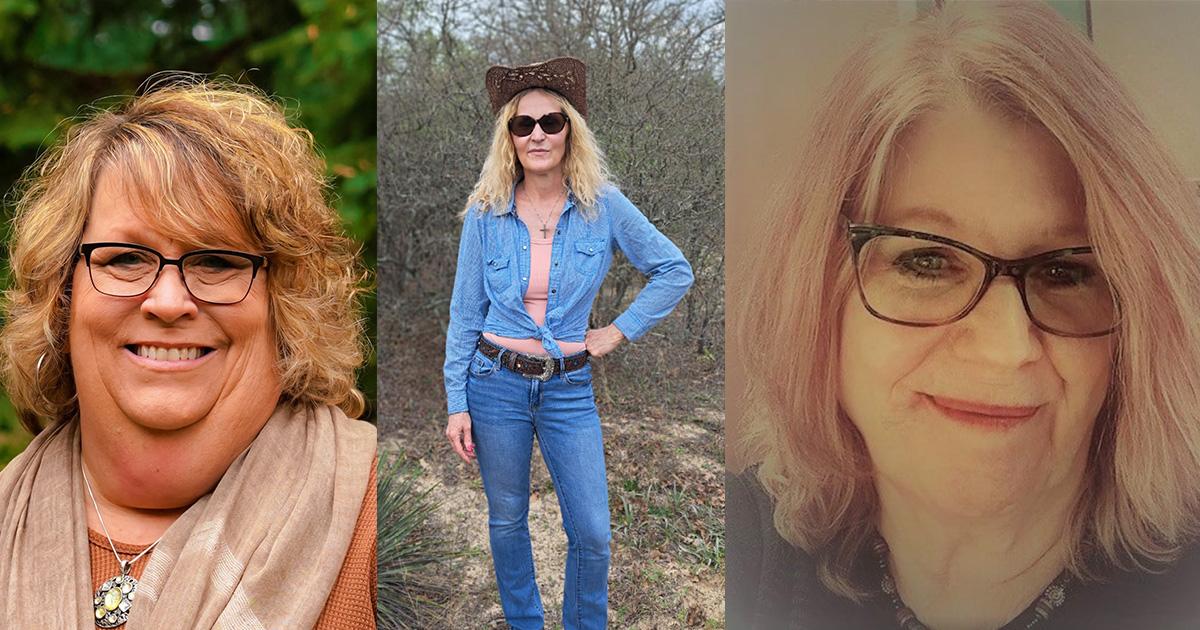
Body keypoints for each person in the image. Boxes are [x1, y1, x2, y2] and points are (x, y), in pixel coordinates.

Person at [729, 3, 1200, 629]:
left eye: (1066, 271)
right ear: (817, 292)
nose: (1008, 348)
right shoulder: (740, 554)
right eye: (927, 262)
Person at [0, 77, 377, 629]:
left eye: (218, 262)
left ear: (286, 300)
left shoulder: (385, 517)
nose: (169, 301)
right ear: (62, 295)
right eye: (125, 258)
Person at [442, 56, 693, 629]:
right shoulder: (485, 214)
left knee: (593, 534)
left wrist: (617, 331)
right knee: (507, 520)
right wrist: (456, 401)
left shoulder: (603, 206)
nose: (537, 135)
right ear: (508, 138)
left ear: (570, 132)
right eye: (522, 124)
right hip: (492, 383)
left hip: (568, 388)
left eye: (550, 122)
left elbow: (674, 270)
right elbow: (463, 314)